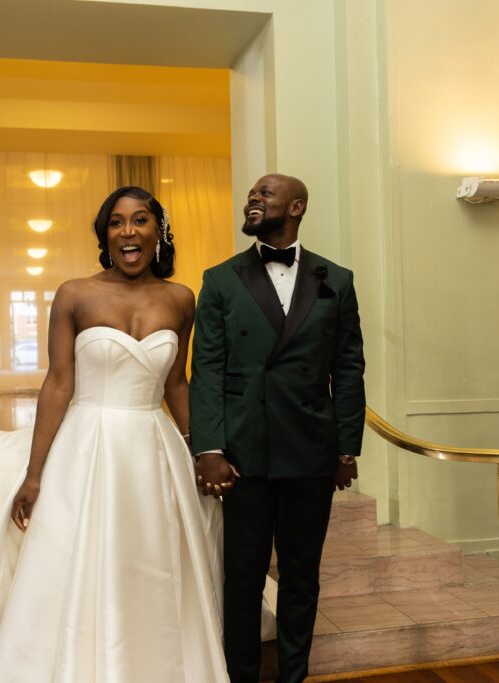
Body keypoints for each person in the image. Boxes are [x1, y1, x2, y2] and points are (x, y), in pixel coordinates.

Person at [0, 186, 234, 683]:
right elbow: (58, 382)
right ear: (105, 235)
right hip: (88, 444)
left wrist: (201, 448)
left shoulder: (181, 299)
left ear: (157, 231)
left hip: (153, 447)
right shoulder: (75, 294)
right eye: (116, 223)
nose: (128, 231)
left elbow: (176, 381)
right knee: (78, 560)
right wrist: (34, 474)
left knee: (152, 561)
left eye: (140, 220)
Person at [190, 174, 366, 683]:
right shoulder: (221, 279)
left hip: (312, 451)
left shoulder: (337, 279)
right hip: (243, 454)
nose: (253, 198)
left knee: (302, 578)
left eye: (265, 194)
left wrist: (346, 448)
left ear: (296, 206)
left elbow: (348, 367)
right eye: (251, 193)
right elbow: (208, 370)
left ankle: (294, 677)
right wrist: (209, 447)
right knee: (242, 580)